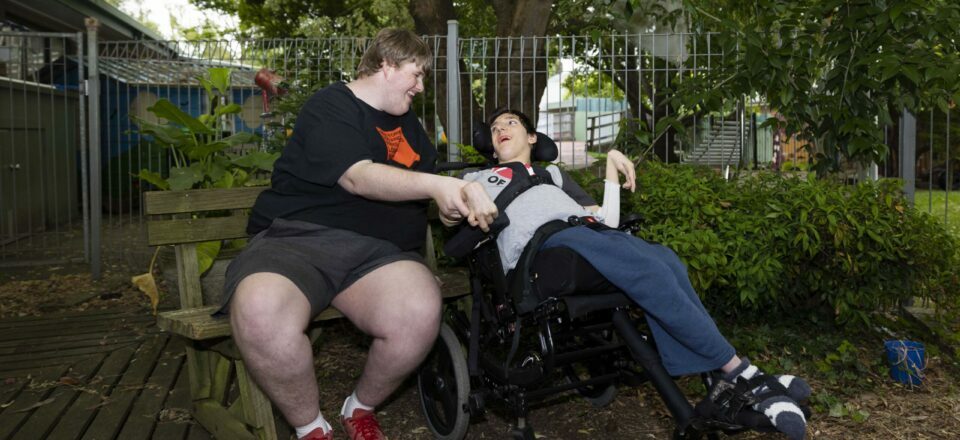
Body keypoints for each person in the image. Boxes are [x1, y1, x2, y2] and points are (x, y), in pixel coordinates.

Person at [455, 108, 811, 440]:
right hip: (543, 253)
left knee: (667, 260)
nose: (500, 129)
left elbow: (605, 220)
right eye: (495, 128)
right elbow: (451, 224)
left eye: (510, 123)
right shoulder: (476, 179)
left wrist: (610, 164)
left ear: (533, 138)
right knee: (646, 265)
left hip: (588, 236)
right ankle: (740, 372)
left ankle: (718, 386)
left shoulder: (554, 175)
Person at [218, 29, 496, 440]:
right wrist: (439, 186)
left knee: (420, 310)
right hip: (297, 242)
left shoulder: (412, 127)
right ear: (387, 64)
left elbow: (429, 202)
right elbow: (357, 177)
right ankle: (311, 428)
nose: (420, 87)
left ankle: (360, 408)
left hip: (378, 255)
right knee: (260, 310)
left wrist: (455, 210)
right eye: (415, 75)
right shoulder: (331, 105)